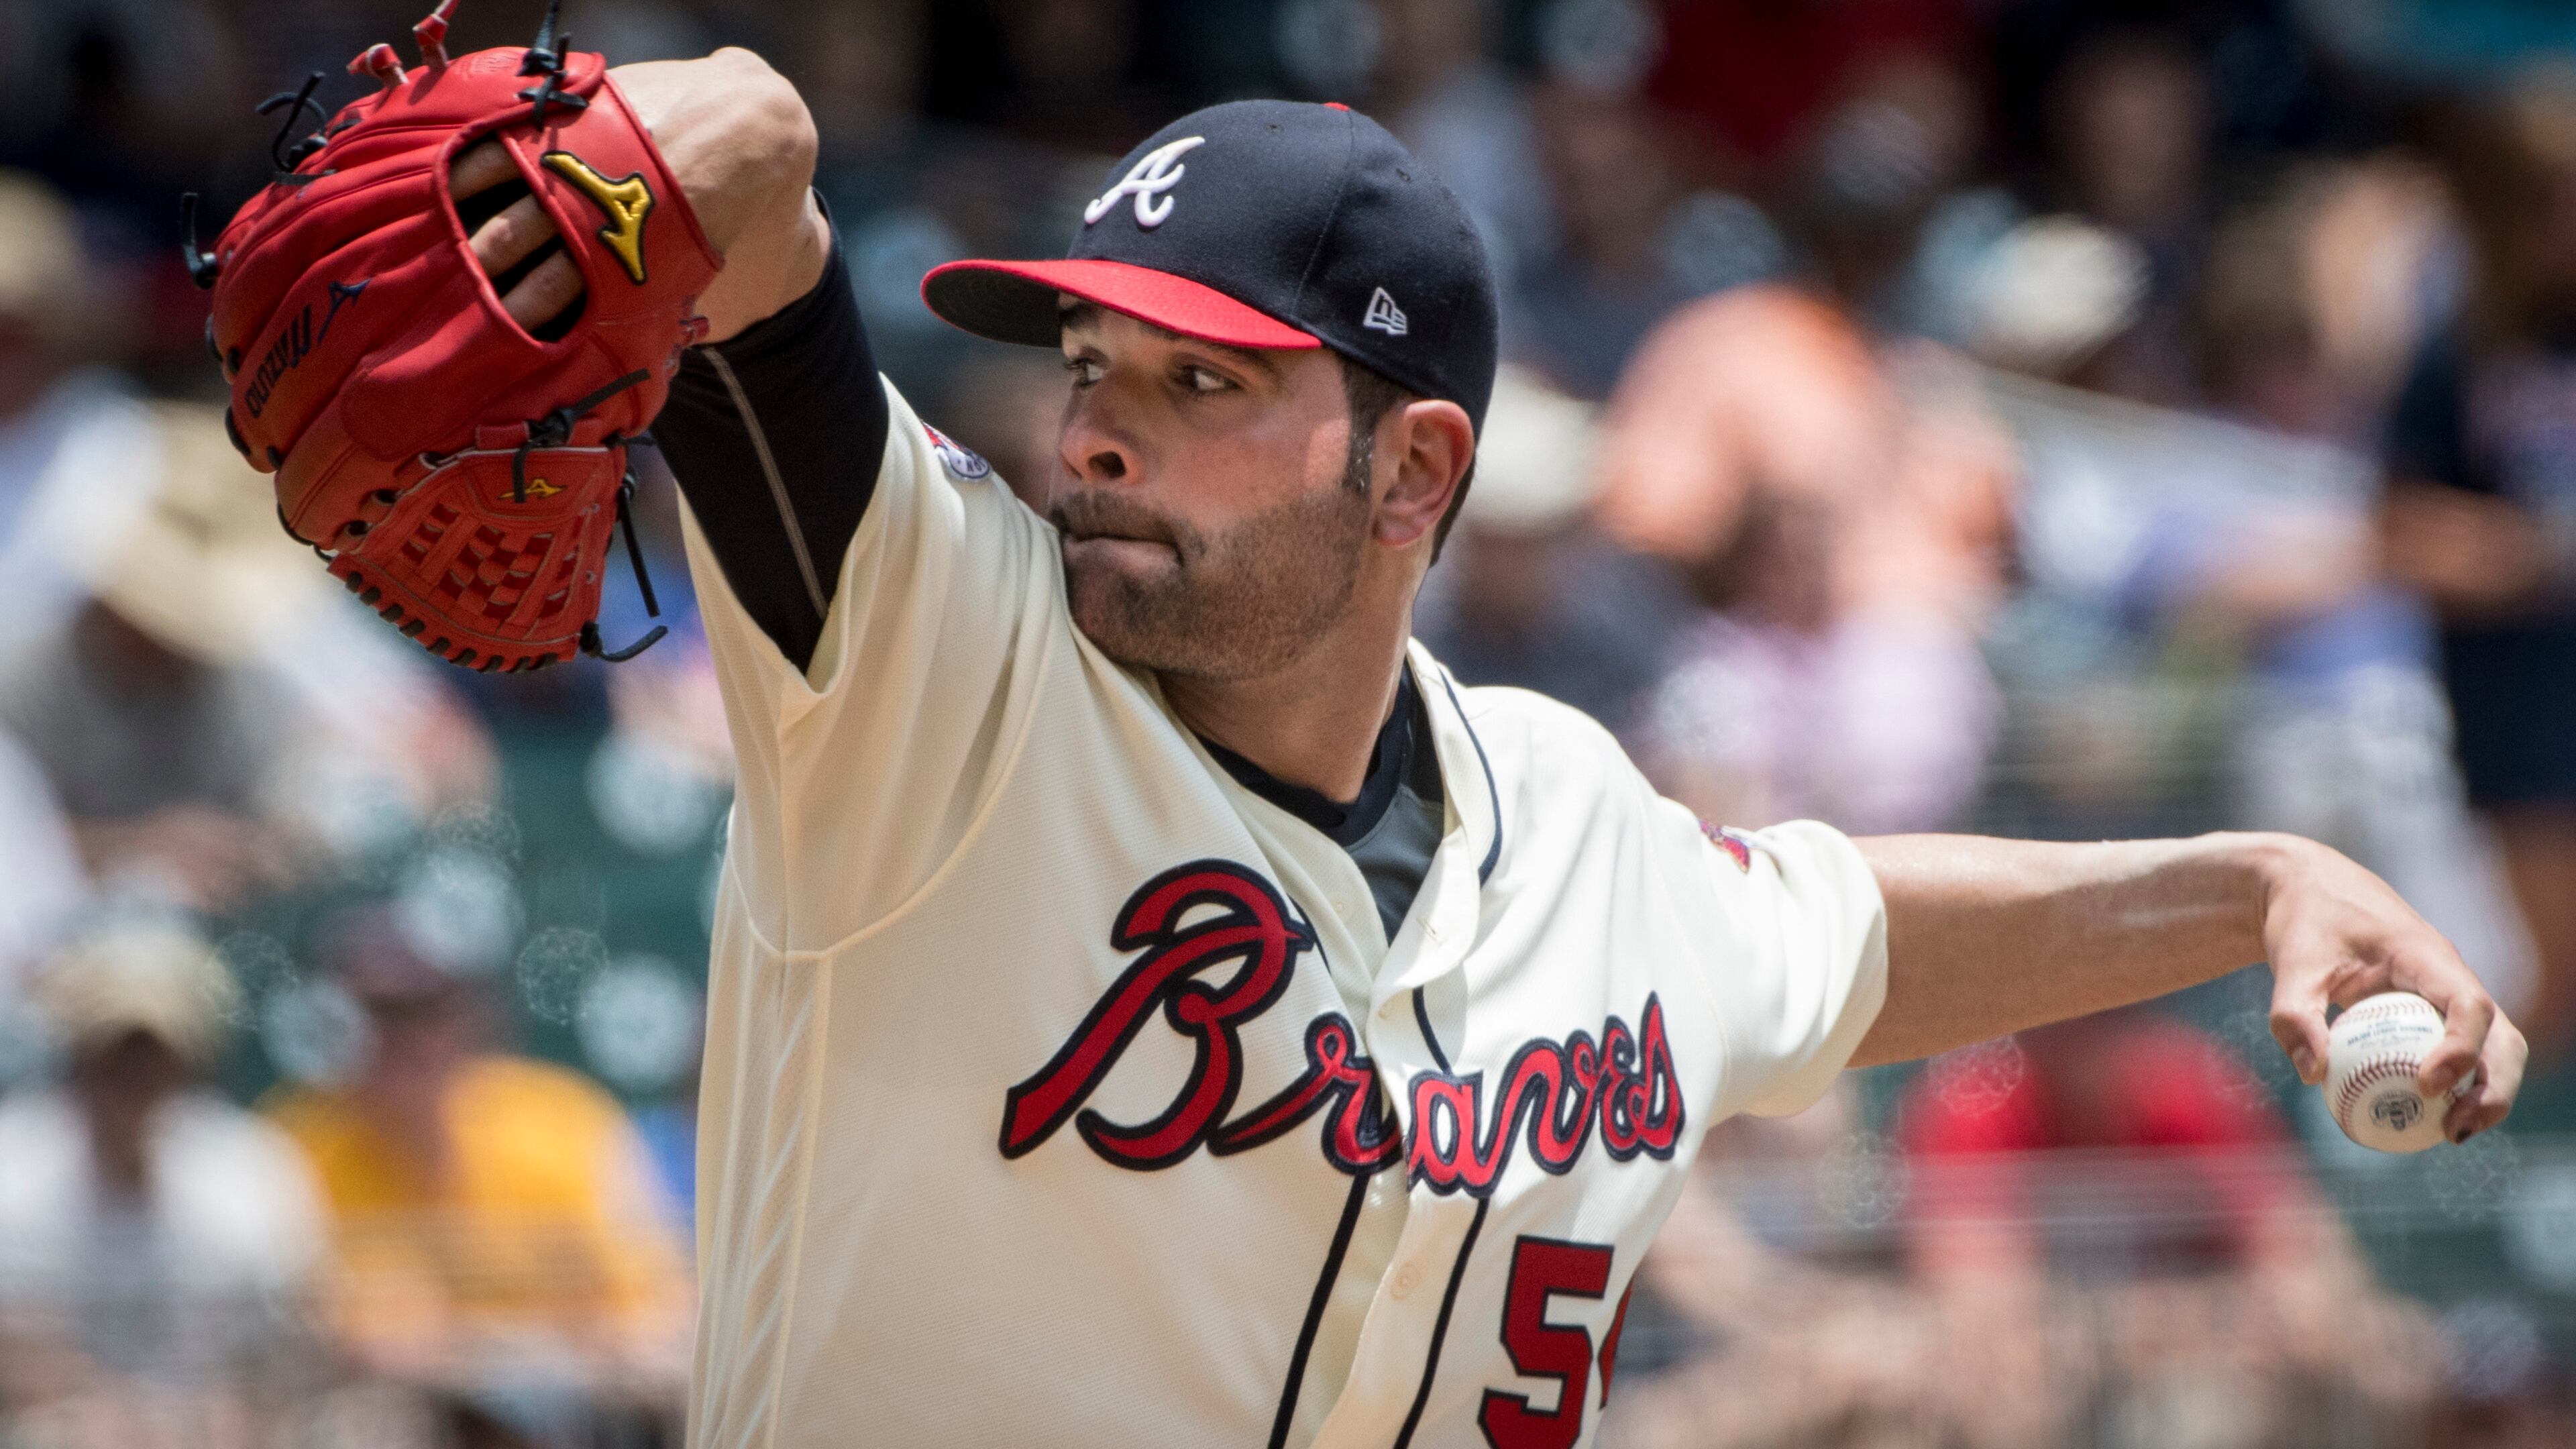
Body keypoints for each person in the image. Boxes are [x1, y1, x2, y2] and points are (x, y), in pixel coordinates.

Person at [352, 44, 2516, 1446]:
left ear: (1415, 472)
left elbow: (1850, 939)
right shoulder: (939, 668)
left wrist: (2248, 888)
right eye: (1093, 358)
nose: (1096, 418)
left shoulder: (1575, 824)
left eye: (1204, 384)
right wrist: (732, 120)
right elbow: (749, 209)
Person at [262, 906, 688, 1388]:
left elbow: (658, 1318)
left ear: (472, 1015)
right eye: (373, 1011)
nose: (400, 1037)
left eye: (424, 1008)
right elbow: (275, 1340)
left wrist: (485, 1351)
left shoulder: (564, 1124)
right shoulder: (287, 1149)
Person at [2381, 72, 2576, 1062]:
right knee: (2560, 975)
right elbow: (2396, 528)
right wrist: (2525, 554)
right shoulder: (2463, 349)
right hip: (2524, 699)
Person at [0, 923, 327, 1415]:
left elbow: (299, 1338)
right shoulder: (14, 1169)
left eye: (152, 1057)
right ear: (77, 1056)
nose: (134, 1080)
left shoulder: (253, 1172)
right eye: (114, 1056)